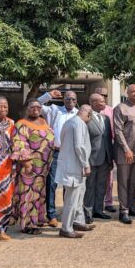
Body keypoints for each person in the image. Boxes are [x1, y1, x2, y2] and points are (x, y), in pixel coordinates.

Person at [10, 98, 55, 235]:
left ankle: (38, 219)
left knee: (40, 195)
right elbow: (19, 143)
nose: (35, 109)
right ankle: (28, 224)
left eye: (38, 107)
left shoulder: (43, 122)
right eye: (32, 107)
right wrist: (27, 163)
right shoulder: (21, 124)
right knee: (28, 195)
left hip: (43, 168)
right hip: (29, 167)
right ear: (26, 109)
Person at [38, 89, 79, 228]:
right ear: (63, 100)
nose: (70, 101)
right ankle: (51, 215)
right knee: (52, 184)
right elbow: (35, 104)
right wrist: (48, 95)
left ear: (76, 101)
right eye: (68, 99)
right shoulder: (54, 110)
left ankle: (68, 213)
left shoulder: (79, 115)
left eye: (73, 99)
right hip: (55, 152)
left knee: (70, 184)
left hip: (72, 154)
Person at [56, 105, 94, 238]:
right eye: (90, 116)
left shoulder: (69, 122)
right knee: (72, 199)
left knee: (78, 196)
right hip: (76, 166)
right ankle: (66, 228)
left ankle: (77, 221)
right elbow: (79, 146)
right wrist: (86, 164)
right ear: (87, 113)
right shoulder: (79, 124)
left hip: (72, 165)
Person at [113, 84, 135, 224]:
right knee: (124, 182)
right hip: (124, 152)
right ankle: (123, 211)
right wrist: (126, 149)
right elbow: (118, 131)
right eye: (133, 91)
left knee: (134, 182)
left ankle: (132, 206)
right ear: (127, 93)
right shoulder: (120, 108)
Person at [83, 94, 114, 223]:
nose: (104, 103)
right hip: (91, 159)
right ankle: (87, 213)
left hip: (105, 159)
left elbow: (108, 139)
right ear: (93, 103)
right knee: (89, 186)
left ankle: (98, 210)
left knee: (101, 186)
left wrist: (111, 158)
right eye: (101, 101)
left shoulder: (106, 118)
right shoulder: (86, 119)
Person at [0, 97, 15, 241]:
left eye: (5, 106)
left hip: (6, 168)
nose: (3, 109)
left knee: (6, 199)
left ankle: (1, 231)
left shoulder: (12, 123)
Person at [94, 87, 117, 214]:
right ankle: (95, 203)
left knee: (109, 178)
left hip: (108, 147)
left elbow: (114, 130)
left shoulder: (111, 110)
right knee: (93, 178)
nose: (103, 97)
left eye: (104, 95)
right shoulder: (88, 111)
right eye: (100, 95)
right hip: (94, 150)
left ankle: (108, 202)